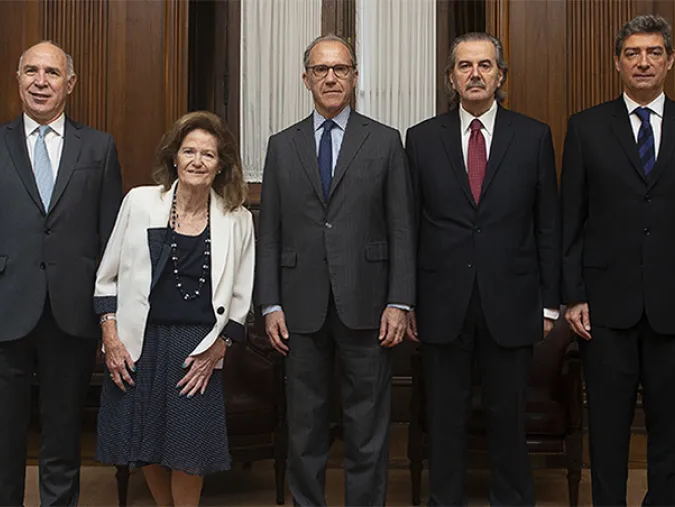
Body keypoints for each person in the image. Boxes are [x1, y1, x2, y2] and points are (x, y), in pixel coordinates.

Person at [561, 14, 675, 506]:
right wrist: (573, 295)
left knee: (672, 430)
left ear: (670, 61)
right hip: (604, 308)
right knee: (607, 430)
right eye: (632, 53)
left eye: (654, 52)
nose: (643, 62)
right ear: (617, 62)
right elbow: (570, 220)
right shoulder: (586, 127)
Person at [0, 41, 123, 505]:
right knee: (2, 440)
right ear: (18, 79)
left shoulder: (99, 147)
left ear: (70, 84)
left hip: (72, 314)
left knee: (63, 438)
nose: (40, 82)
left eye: (51, 73)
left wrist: (110, 319)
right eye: (31, 71)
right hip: (0, 314)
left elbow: (112, 244)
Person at [256, 34, 415, 506]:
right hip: (299, 306)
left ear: (355, 77)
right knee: (304, 427)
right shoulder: (281, 145)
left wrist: (399, 300)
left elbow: (401, 227)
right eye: (321, 70)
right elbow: (270, 233)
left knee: (367, 428)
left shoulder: (385, 141)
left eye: (340, 69)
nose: (331, 78)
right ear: (305, 79)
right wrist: (270, 303)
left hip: (368, 304)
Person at [405, 32, 561, 506]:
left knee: (507, 418)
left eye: (485, 65)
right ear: (451, 78)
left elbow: (547, 225)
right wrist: (406, 301)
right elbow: (409, 227)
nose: (475, 74)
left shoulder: (533, 136)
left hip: (512, 302)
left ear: (500, 76)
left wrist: (549, 304)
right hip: (441, 303)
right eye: (465, 66)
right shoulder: (421, 139)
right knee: (444, 420)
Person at [93, 110, 254, 506]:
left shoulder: (237, 220)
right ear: (174, 157)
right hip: (140, 343)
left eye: (208, 154)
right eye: (189, 151)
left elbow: (241, 298)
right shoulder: (140, 202)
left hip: (196, 351)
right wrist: (111, 337)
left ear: (220, 166)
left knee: (189, 455)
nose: (198, 161)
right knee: (146, 444)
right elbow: (107, 277)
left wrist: (217, 350)